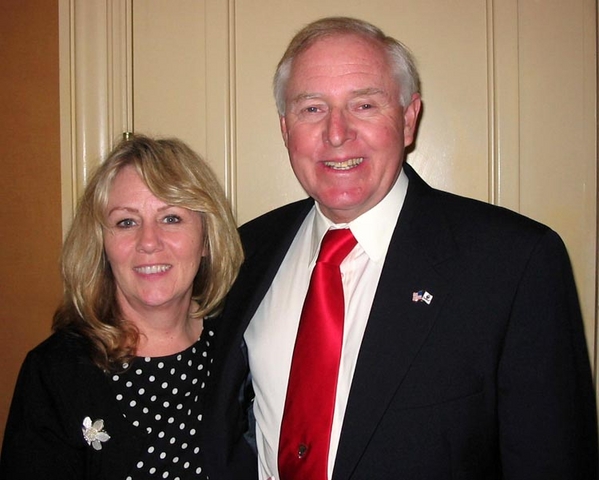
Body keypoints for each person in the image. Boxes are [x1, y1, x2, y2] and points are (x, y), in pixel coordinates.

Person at [202, 16, 598, 480]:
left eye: (365, 105)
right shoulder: (245, 251)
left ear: (408, 120)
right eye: (312, 109)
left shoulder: (515, 264)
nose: (336, 133)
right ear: (286, 129)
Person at [0, 134, 244, 479]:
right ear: (101, 243)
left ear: (206, 238)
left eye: (171, 218)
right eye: (126, 222)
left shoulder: (240, 348)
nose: (148, 242)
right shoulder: (56, 372)